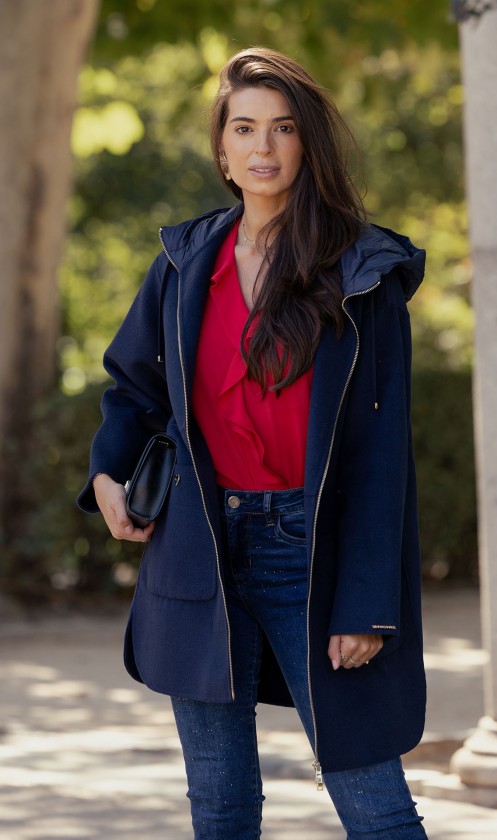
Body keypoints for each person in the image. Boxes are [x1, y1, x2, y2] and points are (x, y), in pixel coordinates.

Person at [78, 47, 428, 839]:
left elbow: (380, 455)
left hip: (314, 551)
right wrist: (107, 475)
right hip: (197, 546)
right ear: (223, 148)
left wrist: (367, 603)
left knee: (376, 807)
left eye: (283, 129)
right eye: (245, 128)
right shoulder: (181, 263)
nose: (263, 148)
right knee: (222, 807)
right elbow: (132, 388)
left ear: (309, 145)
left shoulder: (364, 273)